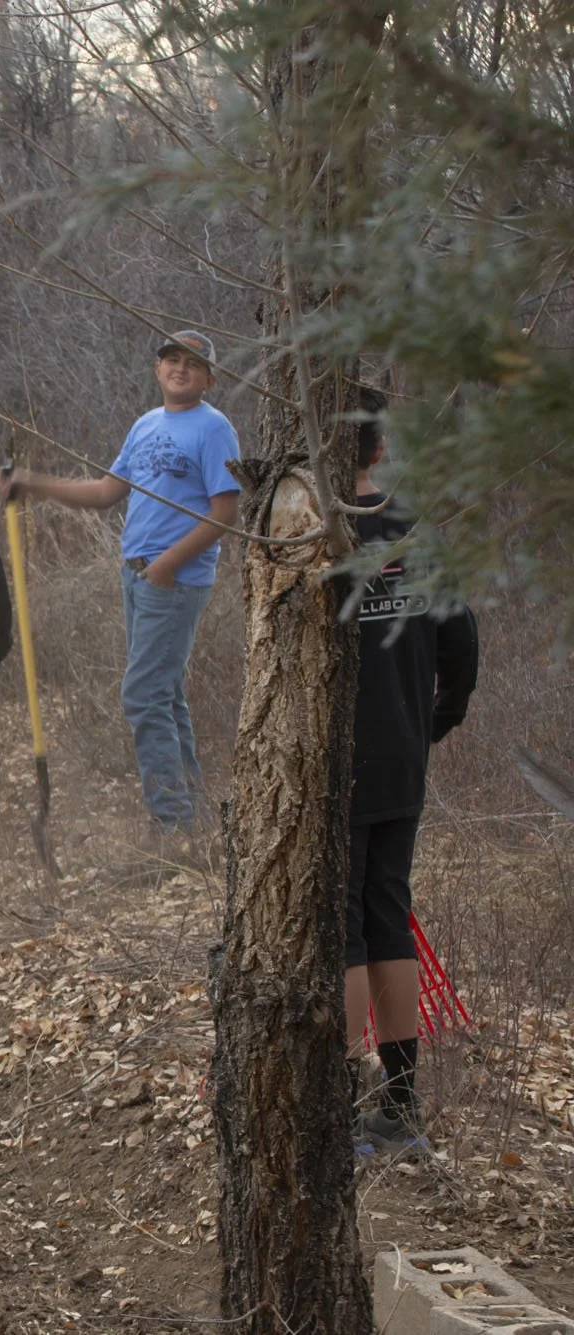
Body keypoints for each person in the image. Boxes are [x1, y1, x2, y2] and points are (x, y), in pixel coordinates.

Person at [0, 330, 241, 833]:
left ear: (210, 378)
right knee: (164, 694)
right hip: (136, 578)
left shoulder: (214, 429)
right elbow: (107, 491)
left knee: (143, 694)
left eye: (192, 364)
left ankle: (172, 823)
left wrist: (169, 564)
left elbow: (225, 512)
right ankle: (190, 818)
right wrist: (33, 484)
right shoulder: (146, 425)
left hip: (173, 580)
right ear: (157, 370)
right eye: (171, 360)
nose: (179, 369)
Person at [341, 387, 477, 1159]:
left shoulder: (310, 530)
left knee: (343, 921)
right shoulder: (414, 532)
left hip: (340, 759)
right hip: (402, 750)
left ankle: (335, 1109)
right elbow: (463, 644)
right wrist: (434, 721)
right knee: (387, 910)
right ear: (379, 448)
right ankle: (397, 1107)